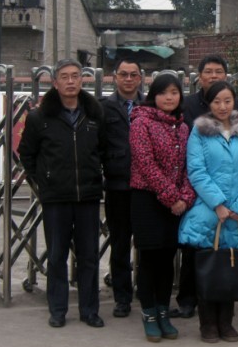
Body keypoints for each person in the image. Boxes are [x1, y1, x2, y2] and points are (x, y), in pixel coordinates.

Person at [18, 58, 106, 329]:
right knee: (57, 255)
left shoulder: (94, 114)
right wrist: (43, 181)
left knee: (89, 255)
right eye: (65, 77)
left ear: (82, 80)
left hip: (88, 196)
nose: (70, 81)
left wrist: (96, 176)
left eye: (75, 76)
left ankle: (89, 310)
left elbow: (103, 150)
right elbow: (26, 153)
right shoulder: (39, 117)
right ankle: (57, 309)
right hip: (56, 198)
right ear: (55, 83)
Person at [179, 81, 238, 343]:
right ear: (209, 104)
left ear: (234, 102)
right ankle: (207, 324)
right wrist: (218, 204)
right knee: (209, 267)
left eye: (227, 101)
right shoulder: (199, 132)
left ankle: (226, 323)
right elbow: (197, 171)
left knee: (230, 267)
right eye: (217, 101)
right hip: (208, 210)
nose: (222, 106)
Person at [175, 53, 238, 319]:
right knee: (194, 248)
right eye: (208, 72)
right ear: (199, 76)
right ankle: (188, 300)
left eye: (219, 71)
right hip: (195, 189)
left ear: (226, 76)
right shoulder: (188, 105)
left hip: (232, 194)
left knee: (225, 250)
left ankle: (222, 307)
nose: (213, 76)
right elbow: (193, 162)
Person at [129, 73, 196, 342]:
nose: (169, 98)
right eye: (163, 92)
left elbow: (190, 166)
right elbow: (145, 164)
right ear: (153, 96)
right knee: (150, 259)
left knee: (168, 259)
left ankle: (163, 312)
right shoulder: (141, 122)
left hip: (176, 203)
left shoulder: (183, 126)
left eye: (174, 92)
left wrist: (185, 197)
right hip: (148, 199)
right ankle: (148, 314)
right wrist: (172, 197)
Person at [100, 58, 144, 318]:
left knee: (146, 243)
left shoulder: (149, 106)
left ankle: (146, 293)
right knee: (119, 244)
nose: (128, 79)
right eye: (123, 74)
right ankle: (122, 297)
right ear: (115, 77)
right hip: (117, 185)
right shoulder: (103, 108)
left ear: (140, 78)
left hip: (146, 187)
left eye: (133, 74)